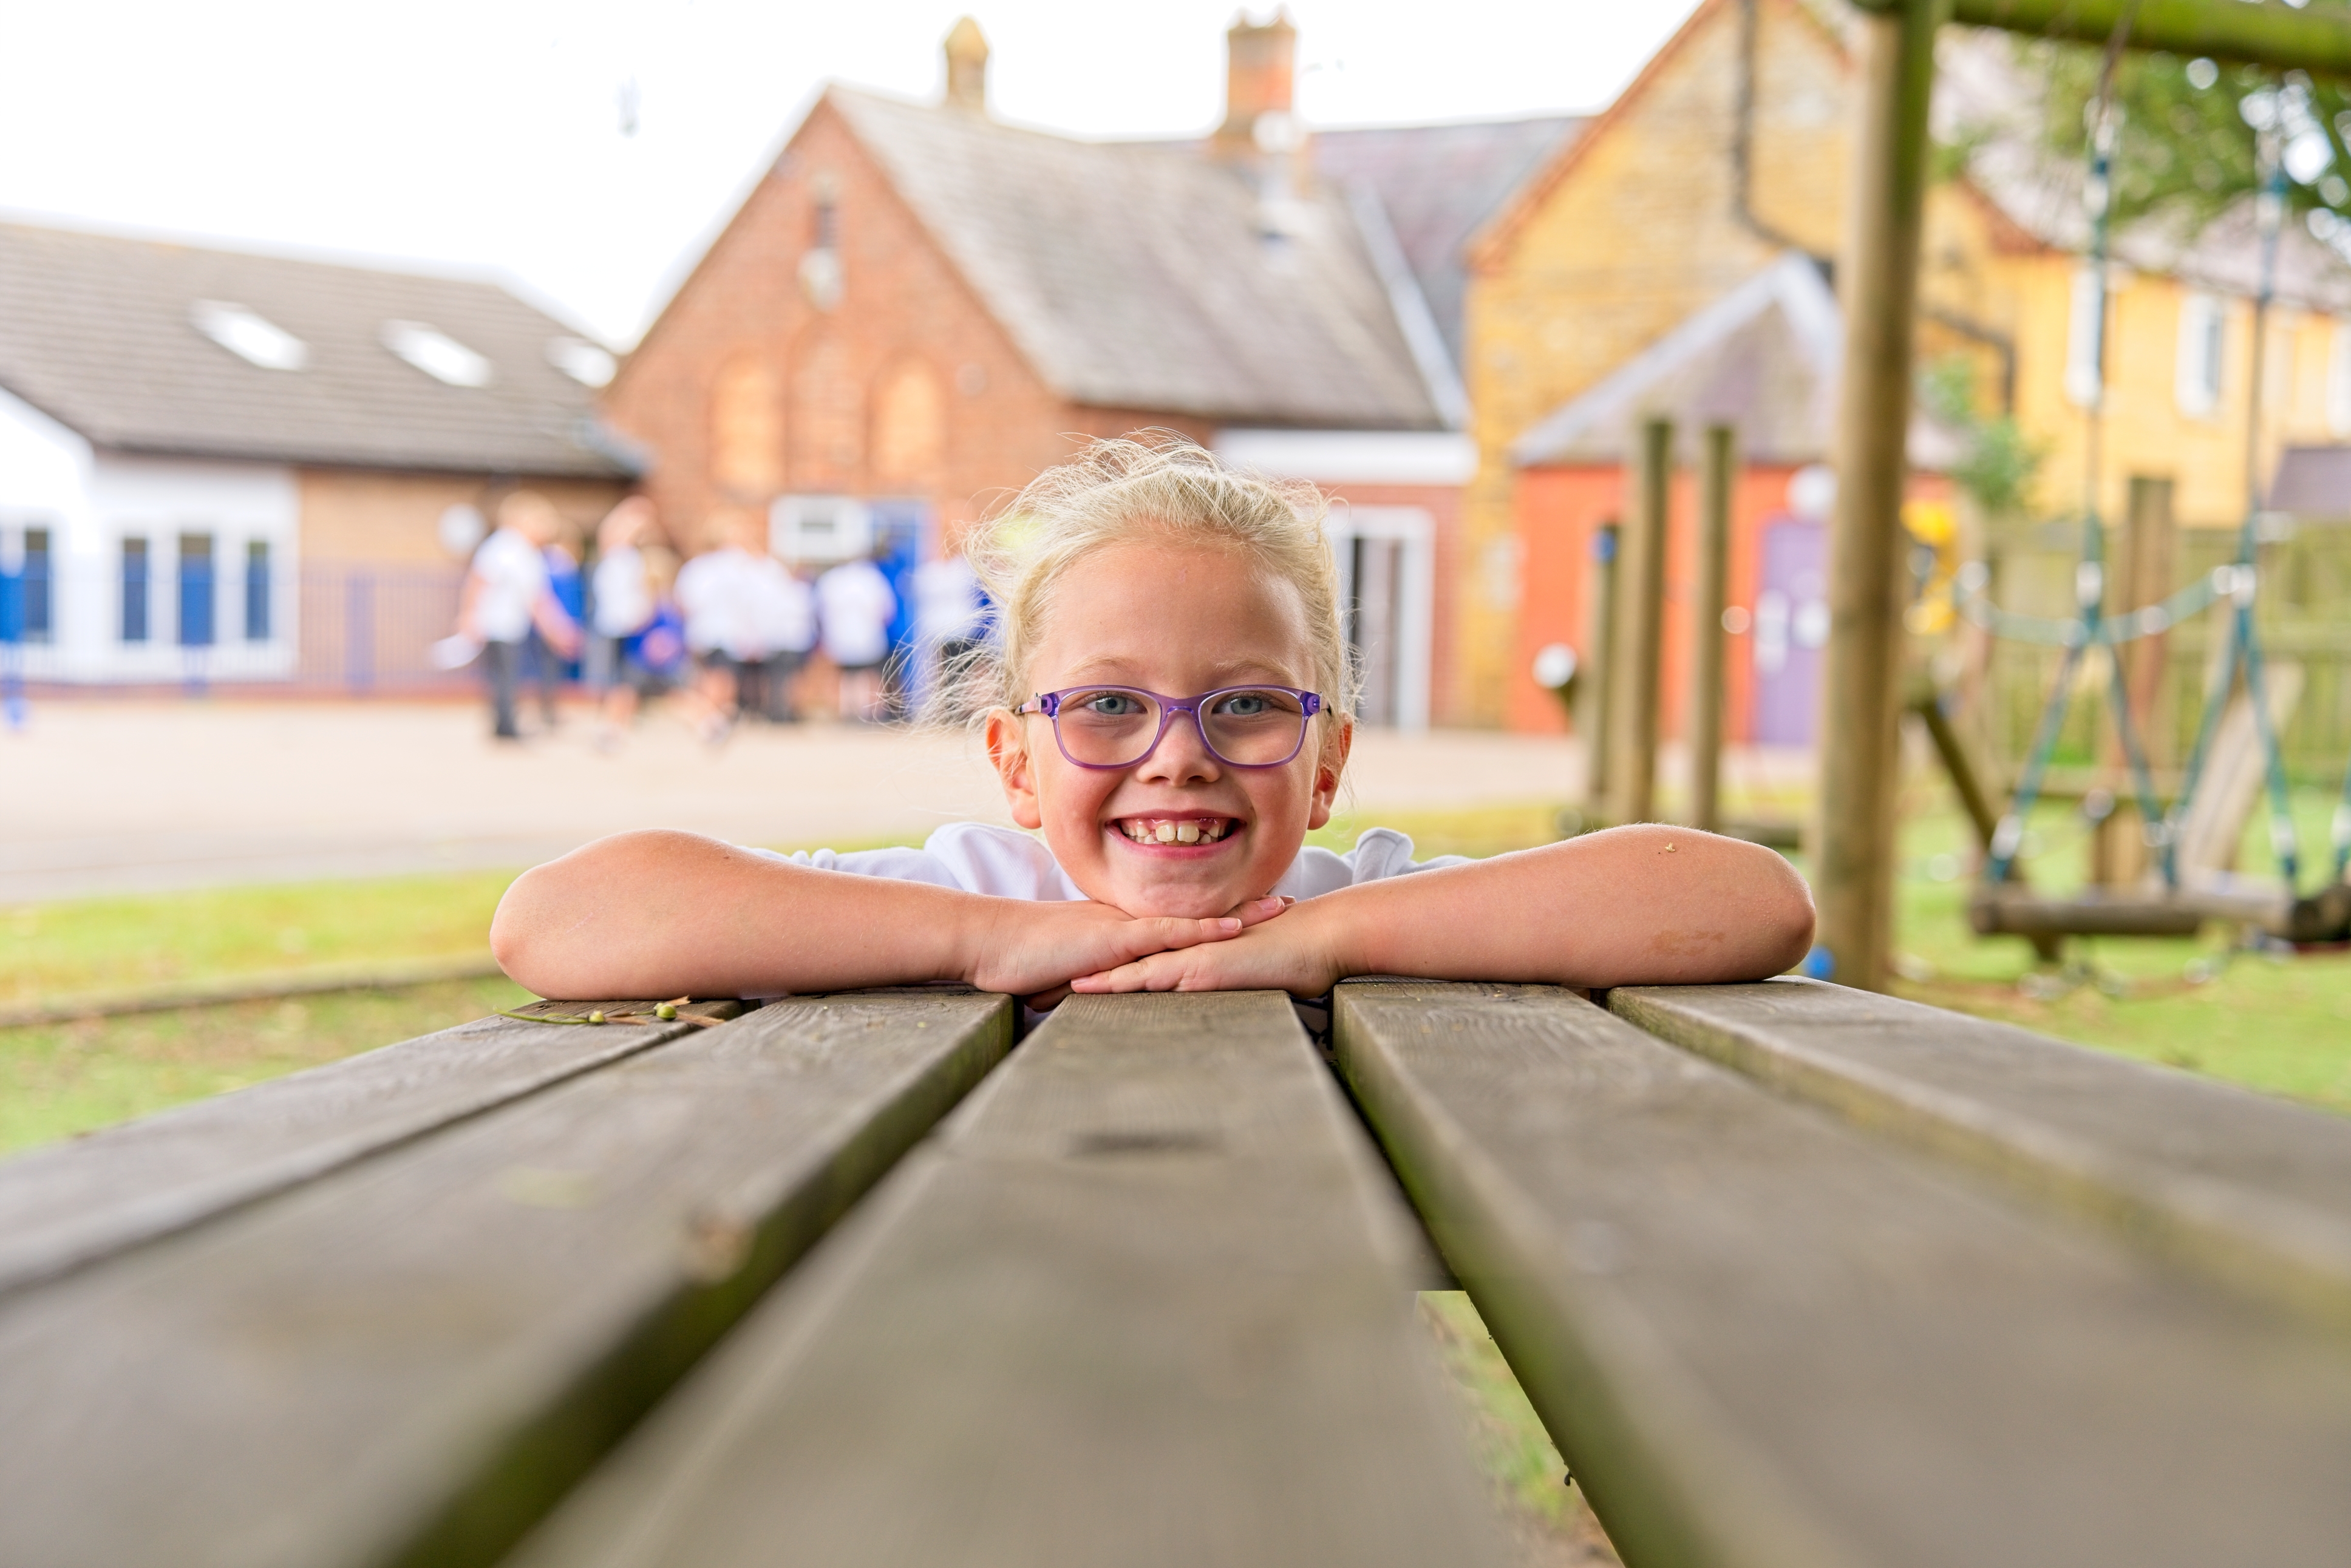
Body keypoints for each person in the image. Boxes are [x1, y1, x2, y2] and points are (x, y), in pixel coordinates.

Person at [491, 436, 1814, 1005]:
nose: (1176, 750)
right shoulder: (974, 888)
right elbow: (553, 921)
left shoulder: (1347, 894)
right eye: (1109, 705)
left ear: (1329, 758)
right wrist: (983, 939)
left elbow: (1751, 903)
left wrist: (1325, 935)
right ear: (1013, 760)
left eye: (1244, 704)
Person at [457, 490, 580, 741]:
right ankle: (506, 726)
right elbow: (479, 582)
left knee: (507, 676)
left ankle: (505, 724)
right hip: (498, 624)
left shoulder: (523, 551)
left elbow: (537, 597)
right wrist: (469, 617)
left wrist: (555, 628)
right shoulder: (504, 547)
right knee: (505, 676)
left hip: (511, 625)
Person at [587, 497, 658, 750]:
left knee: (624, 680)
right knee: (612, 680)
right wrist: (629, 508)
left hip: (630, 627)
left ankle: (617, 726)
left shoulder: (631, 558)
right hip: (613, 626)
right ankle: (611, 726)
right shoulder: (615, 556)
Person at [817, 550, 898, 721]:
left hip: (842, 638)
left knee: (849, 678)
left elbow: (820, 611)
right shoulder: (872, 578)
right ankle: (867, 714)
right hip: (865, 638)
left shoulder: (832, 579)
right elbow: (887, 610)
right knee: (866, 676)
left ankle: (849, 713)